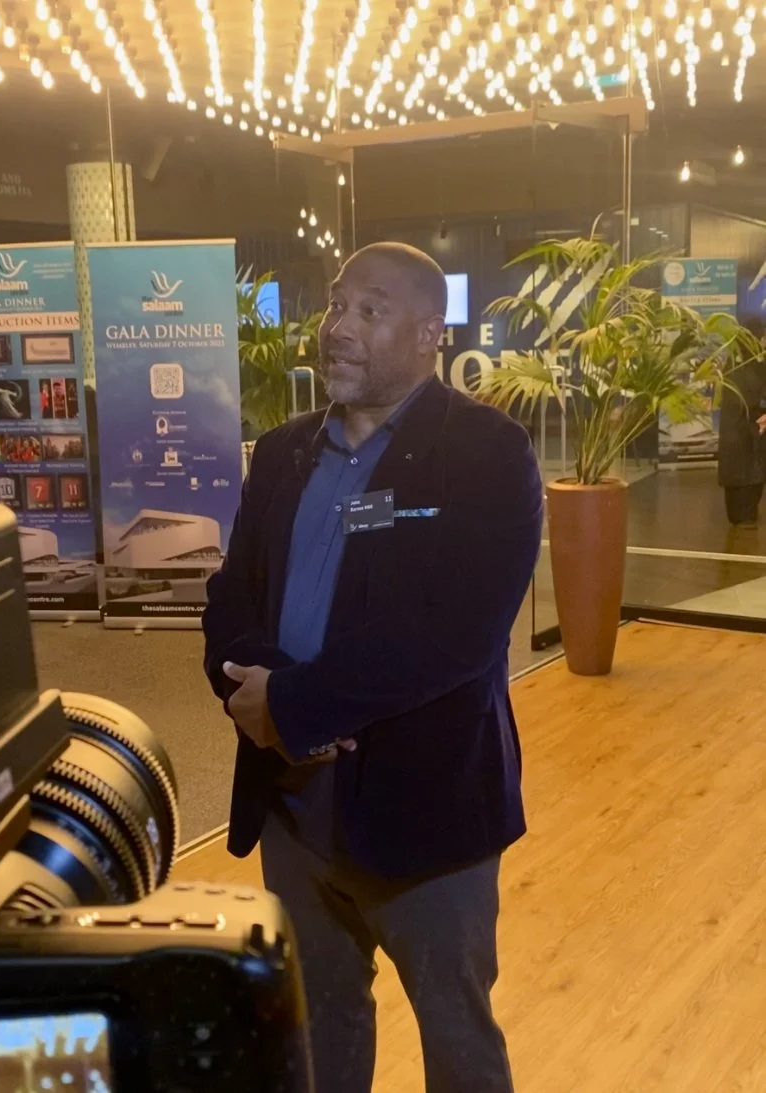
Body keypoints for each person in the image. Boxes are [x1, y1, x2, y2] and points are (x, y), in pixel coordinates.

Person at [203, 242, 543, 1093]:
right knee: (319, 1037)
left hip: (426, 822)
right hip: (291, 815)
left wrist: (295, 703)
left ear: (431, 331)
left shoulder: (487, 452)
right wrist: (255, 694)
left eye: (371, 308)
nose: (338, 327)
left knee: (458, 1042)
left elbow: (452, 632)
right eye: (335, 304)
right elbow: (230, 599)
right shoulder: (280, 452)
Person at [718, 316, 766, 528]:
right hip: (745, 432)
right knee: (745, 480)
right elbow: (750, 398)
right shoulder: (749, 363)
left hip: (742, 434)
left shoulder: (738, 361)